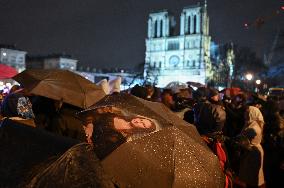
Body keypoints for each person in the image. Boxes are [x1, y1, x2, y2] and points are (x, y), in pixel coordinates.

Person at [237, 106, 265, 188]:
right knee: (252, 176)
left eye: (247, 113)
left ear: (252, 114)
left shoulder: (252, 128)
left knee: (251, 176)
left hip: (252, 153)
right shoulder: (252, 124)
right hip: (252, 151)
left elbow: (241, 140)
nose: (245, 114)